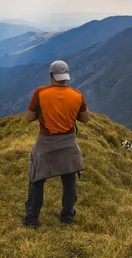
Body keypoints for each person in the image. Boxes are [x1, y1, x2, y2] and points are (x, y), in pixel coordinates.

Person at [24, 60, 90, 227]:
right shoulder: (77, 95)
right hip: (68, 144)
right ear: (66, 76)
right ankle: (67, 217)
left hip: (46, 144)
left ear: (51, 75)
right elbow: (85, 119)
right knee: (69, 181)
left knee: (37, 179)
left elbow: (29, 118)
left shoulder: (40, 93)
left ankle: (32, 220)